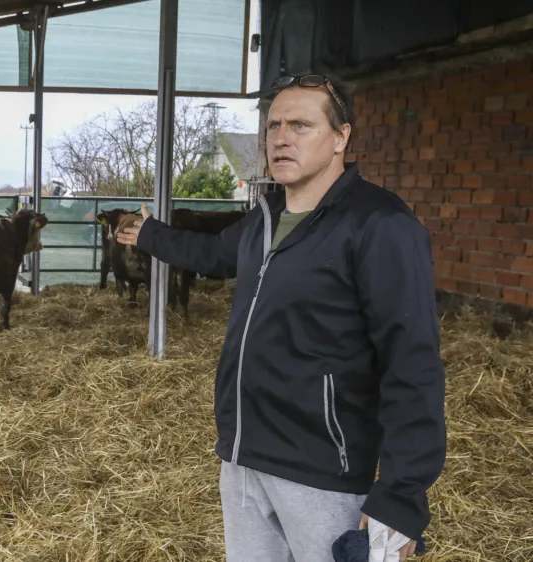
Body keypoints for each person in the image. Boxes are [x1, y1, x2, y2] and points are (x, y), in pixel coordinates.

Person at [117, 74, 446, 562]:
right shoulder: (265, 217)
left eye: (300, 125)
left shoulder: (380, 225)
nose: (281, 138)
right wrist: (151, 235)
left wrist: (400, 498)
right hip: (243, 460)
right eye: (273, 126)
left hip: (323, 475)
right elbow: (214, 254)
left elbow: (412, 365)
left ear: (341, 137)